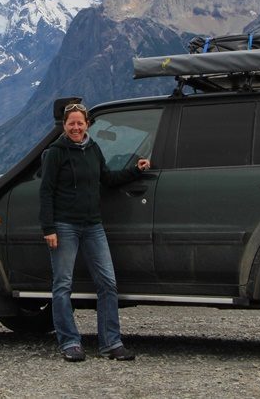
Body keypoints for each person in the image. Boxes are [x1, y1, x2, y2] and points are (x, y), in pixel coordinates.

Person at [39, 102, 151, 362]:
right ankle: (70, 343)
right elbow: (45, 191)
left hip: (93, 226)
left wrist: (136, 170)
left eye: (80, 123)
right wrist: (49, 228)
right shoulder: (56, 152)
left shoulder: (93, 149)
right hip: (64, 225)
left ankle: (111, 343)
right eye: (71, 124)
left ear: (88, 124)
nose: (76, 127)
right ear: (64, 126)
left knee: (108, 284)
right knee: (62, 285)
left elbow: (108, 178)